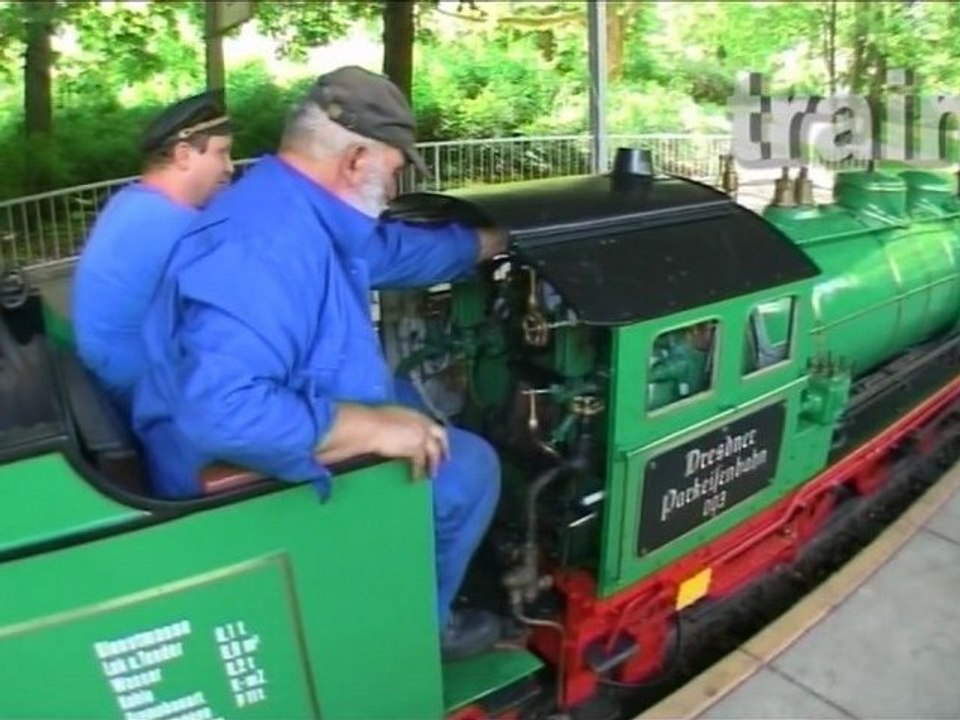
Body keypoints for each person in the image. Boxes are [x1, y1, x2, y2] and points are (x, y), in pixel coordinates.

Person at [131, 66, 508, 661]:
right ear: (357, 159)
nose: (397, 177)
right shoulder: (263, 248)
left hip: (308, 389)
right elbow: (221, 411)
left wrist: (481, 246)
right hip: (226, 456)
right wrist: (373, 427)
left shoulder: (289, 199)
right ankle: (411, 635)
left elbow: (382, 251)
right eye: (395, 164)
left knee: (411, 401)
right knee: (470, 469)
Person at [72, 90, 234, 416]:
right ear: (184, 155)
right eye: (222, 154)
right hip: (144, 388)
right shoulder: (181, 228)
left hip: (107, 374)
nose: (230, 168)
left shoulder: (131, 200)